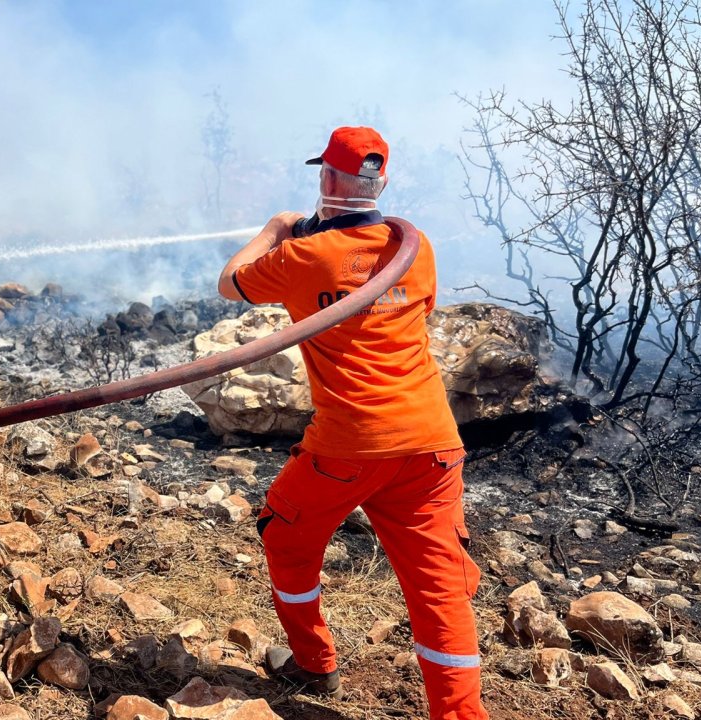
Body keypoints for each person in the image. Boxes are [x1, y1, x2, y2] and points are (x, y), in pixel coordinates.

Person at [217, 127, 488, 719]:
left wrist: (275, 229)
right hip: (433, 443)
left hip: (351, 445)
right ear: (380, 181)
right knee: (438, 589)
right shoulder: (413, 248)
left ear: (328, 178)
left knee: (286, 536)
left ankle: (314, 665)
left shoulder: (299, 256)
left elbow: (230, 281)